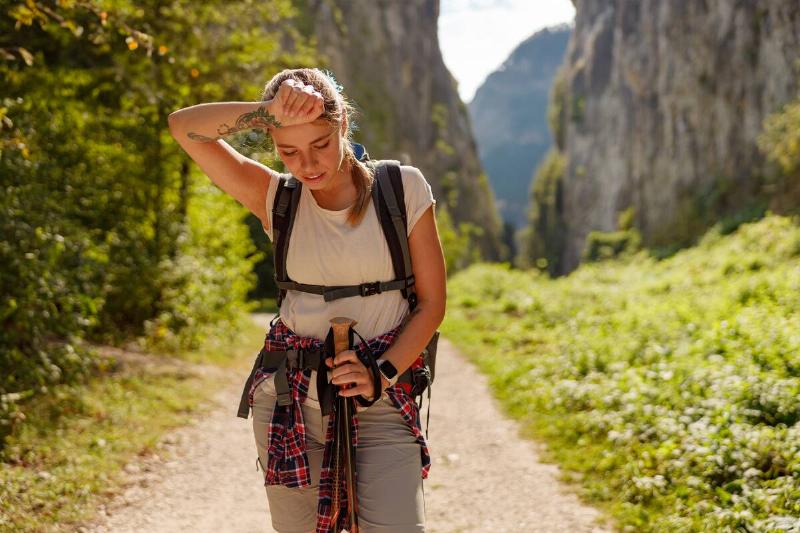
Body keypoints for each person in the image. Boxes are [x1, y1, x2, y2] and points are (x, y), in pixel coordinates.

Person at [167, 68, 447, 533]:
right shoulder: (275, 197)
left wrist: (382, 373)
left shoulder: (402, 189)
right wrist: (266, 114)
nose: (308, 164)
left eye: (319, 145)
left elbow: (432, 304)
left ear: (342, 127)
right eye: (288, 151)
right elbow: (183, 126)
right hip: (289, 402)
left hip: (380, 399)